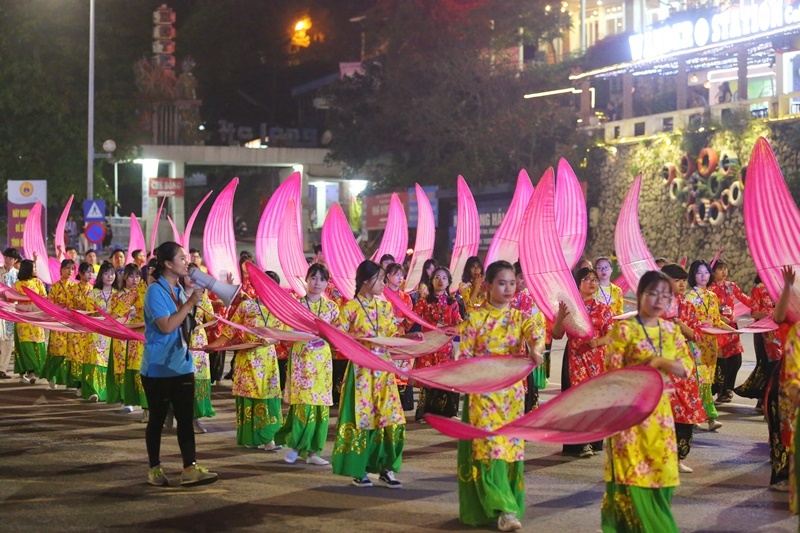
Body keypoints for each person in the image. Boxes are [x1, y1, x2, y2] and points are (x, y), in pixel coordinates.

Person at [601, 271, 692, 532]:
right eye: (652, 293)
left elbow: (686, 368)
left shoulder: (671, 330)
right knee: (632, 474)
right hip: (628, 415)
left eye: (665, 295)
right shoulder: (624, 330)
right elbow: (612, 373)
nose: (659, 300)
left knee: (661, 473)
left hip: (660, 416)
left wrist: (661, 363)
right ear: (639, 296)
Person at [456, 260, 544, 532]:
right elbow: (464, 356)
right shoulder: (475, 318)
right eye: (501, 283)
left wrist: (536, 350)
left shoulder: (520, 317)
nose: (508, 288)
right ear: (488, 286)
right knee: (490, 449)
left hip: (512, 397)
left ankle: (505, 505)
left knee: (510, 451)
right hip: (483, 395)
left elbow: (536, 336)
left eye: (512, 283)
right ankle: (504, 508)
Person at [332, 260, 416, 488]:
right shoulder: (349, 309)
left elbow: (392, 335)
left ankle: (386, 468)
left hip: (384, 374)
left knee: (392, 420)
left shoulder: (385, 307)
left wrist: (409, 339)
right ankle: (358, 470)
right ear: (366, 281)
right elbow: (336, 338)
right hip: (361, 373)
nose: (383, 283)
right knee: (363, 420)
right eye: (380, 279)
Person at [141, 241, 218, 487]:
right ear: (167, 264)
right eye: (182, 259)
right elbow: (166, 326)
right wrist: (189, 304)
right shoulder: (155, 292)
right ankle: (154, 467)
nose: (187, 262)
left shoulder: (178, 289)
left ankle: (189, 468)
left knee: (185, 419)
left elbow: (186, 324)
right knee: (157, 419)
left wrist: (191, 302)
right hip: (159, 368)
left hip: (182, 364)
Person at [207, 271, 285, 452]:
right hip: (247, 359)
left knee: (268, 398)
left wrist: (270, 340)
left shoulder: (278, 308)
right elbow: (229, 330)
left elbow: (281, 334)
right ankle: (252, 438)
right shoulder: (246, 306)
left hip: (267, 360)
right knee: (249, 397)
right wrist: (214, 346)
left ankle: (268, 438)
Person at [275, 264, 339, 465]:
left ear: (327, 283)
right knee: (303, 403)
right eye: (313, 278)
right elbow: (285, 331)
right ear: (306, 280)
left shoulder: (332, 308)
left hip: (322, 362)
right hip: (302, 360)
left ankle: (313, 452)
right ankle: (295, 445)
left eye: (321, 279)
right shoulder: (295, 305)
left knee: (320, 405)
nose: (317, 283)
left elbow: (338, 334)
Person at [553, 266, 614, 457]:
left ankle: (593, 440)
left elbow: (611, 335)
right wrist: (560, 317)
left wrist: (597, 342)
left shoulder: (603, 309)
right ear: (577, 284)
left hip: (596, 358)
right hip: (574, 358)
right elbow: (556, 335)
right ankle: (580, 443)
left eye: (595, 279)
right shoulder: (569, 307)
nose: (593, 282)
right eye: (587, 279)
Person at [660, 263, 707, 474]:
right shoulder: (655, 306)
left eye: (683, 280)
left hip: (683, 368)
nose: (681, 284)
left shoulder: (687, 306)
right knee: (662, 414)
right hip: (661, 368)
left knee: (686, 413)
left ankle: (679, 457)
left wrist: (680, 324)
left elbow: (696, 335)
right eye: (676, 280)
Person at [685, 260, 733, 432]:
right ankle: (709, 417)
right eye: (699, 273)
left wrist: (733, 331)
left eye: (706, 272)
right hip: (695, 344)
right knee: (700, 380)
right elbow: (686, 324)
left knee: (706, 381)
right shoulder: (688, 298)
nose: (703, 276)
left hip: (710, 345)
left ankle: (698, 415)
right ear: (693, 275)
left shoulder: (712, 297)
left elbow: (716, 321)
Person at [413, 266, 463, 421]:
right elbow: (412, 318)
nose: (440, 281)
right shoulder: (423, 302)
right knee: (429, 378)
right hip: (428, 345)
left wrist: (465, 324)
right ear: (431, 281)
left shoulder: (452, 303)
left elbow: (457, 320)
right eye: (437, 277)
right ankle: (425, 413)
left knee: (446, 378)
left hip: (445, 346)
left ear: (448, 282)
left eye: (444, 278)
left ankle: (448, 413)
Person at [178, 263, 216, 434]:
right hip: (180, 341)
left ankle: (195, 417)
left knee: (197, 378)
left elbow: (214, 319)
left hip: (198, 342)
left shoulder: (204, 298)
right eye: (188, 275)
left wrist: (199, 327)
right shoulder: (176, 295)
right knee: (181, 380)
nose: (191, 279)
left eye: (195, 275)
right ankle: (180, 415)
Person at [708, 260, 752, 403]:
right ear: (713, 272)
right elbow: (706, 310)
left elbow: (746, 300)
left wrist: (760, 305)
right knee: (720, 361)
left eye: (725, 268)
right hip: (717, 328)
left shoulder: (731, 286)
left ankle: (728, 389)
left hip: (731, 328)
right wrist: (718, 317)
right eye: (720, 269)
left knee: (736, 359)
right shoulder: (709, 289)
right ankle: (719, 390)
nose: (724, 271)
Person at [108, 264, 146, 413]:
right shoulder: (117, 296)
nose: (135, 280)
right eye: (131, 276)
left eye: (138, 276)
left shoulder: (147, 291)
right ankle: (126, 398)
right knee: (123, 365)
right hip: (122, 333)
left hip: (139, 334)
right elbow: (115, 314)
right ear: (124, 277)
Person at [81, 262, 117, 402]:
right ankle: (93, 391)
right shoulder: (93, 293)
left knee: (109, 362)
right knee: (94, 359)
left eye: (112, 273)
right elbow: (88, 312)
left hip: (111, 334)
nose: (109, 276)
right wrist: (99, 313)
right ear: (101, 275)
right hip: (95, 331)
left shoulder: (118, 294)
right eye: (106, 273)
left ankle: (107, 392)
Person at [384, 262, 416, 411]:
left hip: (401, 334)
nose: (399, 278)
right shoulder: (381, 294)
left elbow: (410, 317)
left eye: (401, 275)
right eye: (396, 274)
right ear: (388, 276)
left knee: (402, 367)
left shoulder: (406, 297)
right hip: (386, 335)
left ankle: (403, 401)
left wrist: (403, 326)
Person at [41, 259, 76, 388]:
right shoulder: (55, 287)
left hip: (72, 325)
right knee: (57, 352)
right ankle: (52, 375)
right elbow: (49, 305)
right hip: (58, 324)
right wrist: (58, 307)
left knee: (70, 353)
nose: (70, 271)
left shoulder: (75, 287)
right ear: (61, 270)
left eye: (72, 269)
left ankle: (67, 380)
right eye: (67, 268)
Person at [14, 259, 47, 383]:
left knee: (37, 345)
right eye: (33, 268)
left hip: (36, 319)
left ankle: (35, 371)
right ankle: (30, 372)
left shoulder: (38, 282)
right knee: (25, 347)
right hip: (22, 320)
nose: (35, 270)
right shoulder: (17, 284)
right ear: (27, 269)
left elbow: (44, 297)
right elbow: (11, 299)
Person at [0, 248, 20, 378]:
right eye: (6, 257)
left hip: (11, 311)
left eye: (11, 258)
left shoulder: (18, 274)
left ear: (15, 260)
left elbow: (20, 292)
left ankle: (3, 369)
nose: (8, 260)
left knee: (8, 340)